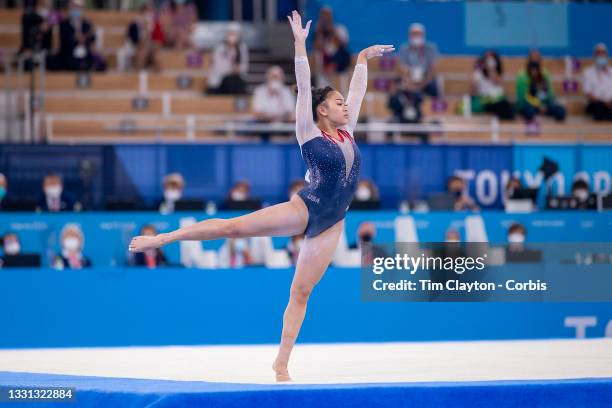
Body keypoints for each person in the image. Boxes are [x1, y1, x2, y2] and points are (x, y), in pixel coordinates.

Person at [128, 10, 393, 382]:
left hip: (333, 222)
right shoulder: (308, 130)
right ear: (321, 110)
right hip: (306, 208)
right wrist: (300, 44)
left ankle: (281, 362)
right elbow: (303, 86)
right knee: (234, 228)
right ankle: (165, 237)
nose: (345, 106)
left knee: (300, 292)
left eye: (344, 104)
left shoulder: (349, 131)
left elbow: (358, 93)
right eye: (337, 103)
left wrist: (362, 59)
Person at [516, 50, 565, 122]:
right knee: (529, 111)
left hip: (544, 105)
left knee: (560, 111)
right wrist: (538, 105)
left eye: (537, 58)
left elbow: (549, 93)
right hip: (529, 106)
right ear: (529, 60)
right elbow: (522, 97)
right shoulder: (522, 75)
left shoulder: (545, 74)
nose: (535, 60)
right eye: (533, 58)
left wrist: (544, 105)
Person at [312, 6, 351, 87]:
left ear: (331, 16)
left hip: (339, 65)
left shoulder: (340, 28)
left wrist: (333, 31)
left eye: (328, 15)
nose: (326, 18)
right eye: (323, 15)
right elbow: (316, 47)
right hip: (324, 67)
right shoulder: (318, 31)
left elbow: (344, 45)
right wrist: (319, 32)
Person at [397, 23, 439, 99]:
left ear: (423, 34)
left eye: (418, 34)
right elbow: (402, 68)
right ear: (409, 35)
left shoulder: (431, 49)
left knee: (434, 87)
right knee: (399, 87)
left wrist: (423, 83)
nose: (416, 36)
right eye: (414, 34)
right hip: (409, 78)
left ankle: (434, 109)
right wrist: (409, 83)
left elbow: (433, 69)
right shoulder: (404, 49)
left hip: (426, 79)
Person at [471, 50, 515, 120]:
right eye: (487, 60)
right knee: (503, 106)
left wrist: (491, 70)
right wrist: (474, 82)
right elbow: (473, 91)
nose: (490, 62)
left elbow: (498, 84)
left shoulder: (497, 73)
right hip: (486, 101)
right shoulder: (478, 73)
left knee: (506, 105)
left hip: (498, 99)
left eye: (491, 60)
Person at [207, 23, 248, 94]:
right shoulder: (219, 48)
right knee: (228, 81)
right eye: (230, 34)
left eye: (234, 34)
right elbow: (218, 67)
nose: (232, 37)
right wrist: (232, 68)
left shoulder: (242, 48)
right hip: (220, 81)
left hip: (236, 81)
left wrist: (237, 69)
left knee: (237, 83)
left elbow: (244, 67)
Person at [583, 43, 612, 121]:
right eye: (598, 53)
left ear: (607, 55)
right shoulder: (588, 72)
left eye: (603, 53)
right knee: (598, 108)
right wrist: (604, 102)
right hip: (597, 103)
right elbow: (588, 93)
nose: (601, 55)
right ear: (594, 56)